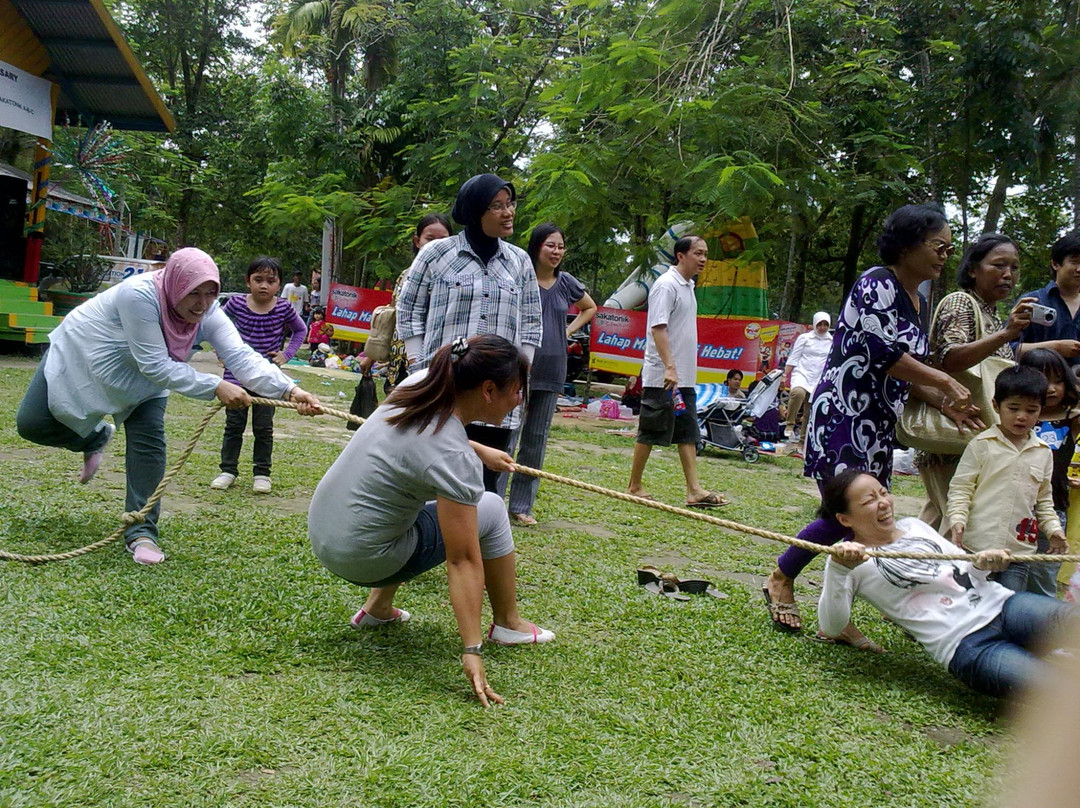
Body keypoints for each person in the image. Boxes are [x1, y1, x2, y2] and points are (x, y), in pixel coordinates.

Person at [15, 248, 321, 565]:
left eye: (210, 293)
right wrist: (216, 385)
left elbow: (240, 357)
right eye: (193, 294)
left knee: (148, 442)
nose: (202, 304)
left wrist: (290, 389)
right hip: (87, 353)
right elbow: (155, 365)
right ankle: (95, 438)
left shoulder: (210, 311)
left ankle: (142, 533)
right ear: (175, 284)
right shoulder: (139, 296)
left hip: (147, 376)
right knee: (31, 423)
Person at [762, 204, 976, 640]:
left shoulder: (919, 301)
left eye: (950, 248)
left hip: (878, 424)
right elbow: (877, 351)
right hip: (843, 413)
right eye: (939, 245)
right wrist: (943, 381)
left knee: (868, 521)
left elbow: (902, 373)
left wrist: (942, 401)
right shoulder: (876, 282)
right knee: (847, 515)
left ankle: (836, 615)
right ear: (908, 243)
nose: (945, 255)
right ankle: (781, 580)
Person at [308, 335, 555, 707]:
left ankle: (376, 610)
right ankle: (508, 624)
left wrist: (478, 449)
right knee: (489, 508)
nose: (519, 399)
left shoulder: (418, 384)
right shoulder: (453, 458)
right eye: (517, 390)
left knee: (410, 502)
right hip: (364, 558)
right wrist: (471, 649)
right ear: (488, 390)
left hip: (326, 535)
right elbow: (463, 559)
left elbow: (421, 446)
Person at [818, 469, 1077, 698]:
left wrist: (982, 565)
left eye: (883, 493)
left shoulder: (914, 526)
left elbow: (964, 571)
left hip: (1003, 606)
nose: (884, 503)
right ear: (845, 519)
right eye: (869, 501)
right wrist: (839, 570)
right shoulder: (848, 560)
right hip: (968, 645)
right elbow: (832, 625)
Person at [397, 174, 542, 493]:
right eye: (497, 206)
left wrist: (521, 371)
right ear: (476, 211)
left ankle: (478, 540)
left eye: (510, 204)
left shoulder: (519, 262)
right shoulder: (436, 254)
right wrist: (419, 364)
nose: (508, 213)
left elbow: (532, 321)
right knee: (433, 478)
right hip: (445, 385)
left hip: (497, 393)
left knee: (485, 484)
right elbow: (408, 309)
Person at [915, 233, 1033, 529]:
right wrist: (1005, 335)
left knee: (938, 518)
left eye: (1014, 268)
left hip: (973, 437)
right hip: (955, 436)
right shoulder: (960, 303)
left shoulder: (993, 316)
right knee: (958, 523)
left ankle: (901, 569)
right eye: (998, 265)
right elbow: (947, 359)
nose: (1008, 274)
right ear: (972, 269)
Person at [625, 235, 728, 508]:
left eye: (705, 253)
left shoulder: (688, 287)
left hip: (684, 377)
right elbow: (658, 327)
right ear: (681, 255)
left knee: (687, 431)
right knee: (650, 429)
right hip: (663, 376)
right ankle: (634, 485)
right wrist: (669, 366)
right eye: (698, 253)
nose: (703, 259)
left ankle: (694, 490)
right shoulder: (666, 285)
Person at [945, 365, 1067, 592]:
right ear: (995, 405)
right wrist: (958, 520)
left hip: (1018, 551)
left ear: (1041, 410)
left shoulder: (1043, 452)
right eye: (1013, 408)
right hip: (976, 545)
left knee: (1011, 604)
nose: (1021, 416)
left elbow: (1043, 502)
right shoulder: (982, 445)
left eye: (1031, 410)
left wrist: (1053, 530)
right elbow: (961, 488)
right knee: (971, 601)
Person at [507, 224, 597, 525]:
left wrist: (565, 331)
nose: (556, 252)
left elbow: (590, 307)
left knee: (536, 439)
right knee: (507, 433)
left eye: (560, 246)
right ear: (536, 247)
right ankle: (490, 501)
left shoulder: (567, 282)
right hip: (518, 366)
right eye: (550, 245)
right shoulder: (520, 276)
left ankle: (521, 507)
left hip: (553, 366)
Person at [210, 256, 308, 494]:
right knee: (234, 426)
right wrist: (220, 352)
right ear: (248, 281)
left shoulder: (284, 307)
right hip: (235, 377)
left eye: (271, 281)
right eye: (258, 279)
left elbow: (300, 330)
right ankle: (228, 470)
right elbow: (214, 325)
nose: (264, 285)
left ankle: (262, 473)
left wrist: (286, 355)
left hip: (269, 380)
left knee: (263, 427)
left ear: (279, 284)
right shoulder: (235, 304)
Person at [359, 214, 454, 391]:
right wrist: (371, 356)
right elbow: (391, 317)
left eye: (443, 239)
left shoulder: (456, 281)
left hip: (435, 360)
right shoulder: (405, 276)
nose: (437, 245)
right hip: (399, 361)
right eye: (430, 239)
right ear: (417, 241)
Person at [1019, 348, 1080, 597]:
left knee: (1044, 575)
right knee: (1011, 571)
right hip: (1016, 506)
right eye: (1043, 381)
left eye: (1058, 380)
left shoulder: (1073, 419)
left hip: (1053, 508)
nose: (1052, 388)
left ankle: (1041, 626)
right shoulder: (1015, 417)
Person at [1017, 231, 1080, 365]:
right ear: (1055, 264)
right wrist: (1055, 347)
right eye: (1075, 262)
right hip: (1039, 383)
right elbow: (1007, 350)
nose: (1079, 269)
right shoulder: (1032, 301)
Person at [782, 312, 831, 455]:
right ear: (815, 324)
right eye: (819, 324)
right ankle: (789, 424)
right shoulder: (805, 338)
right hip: (802, 373)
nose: (822, 328)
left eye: (825, 325)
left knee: (811, 409)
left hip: (818, 378)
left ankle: (802, 442)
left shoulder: (831, 341)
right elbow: (794, 357)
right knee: (798, 393)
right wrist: (785, 375)